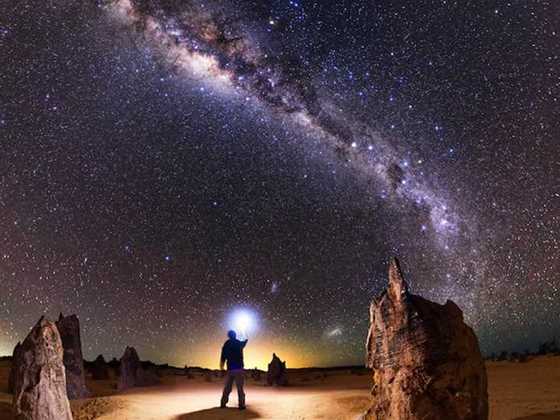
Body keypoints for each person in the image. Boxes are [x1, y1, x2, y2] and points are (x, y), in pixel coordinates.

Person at [220, 330, 248, 409]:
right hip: (238, 368)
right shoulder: (238, 343)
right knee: (240, 388)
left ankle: (223, 403)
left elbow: (223, 357)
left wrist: (222, 367)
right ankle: (241, 405)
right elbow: (243, 344)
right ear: (235, 335)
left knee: (227, 387)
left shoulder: (226, 344)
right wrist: (246, 339)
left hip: (230, 369)